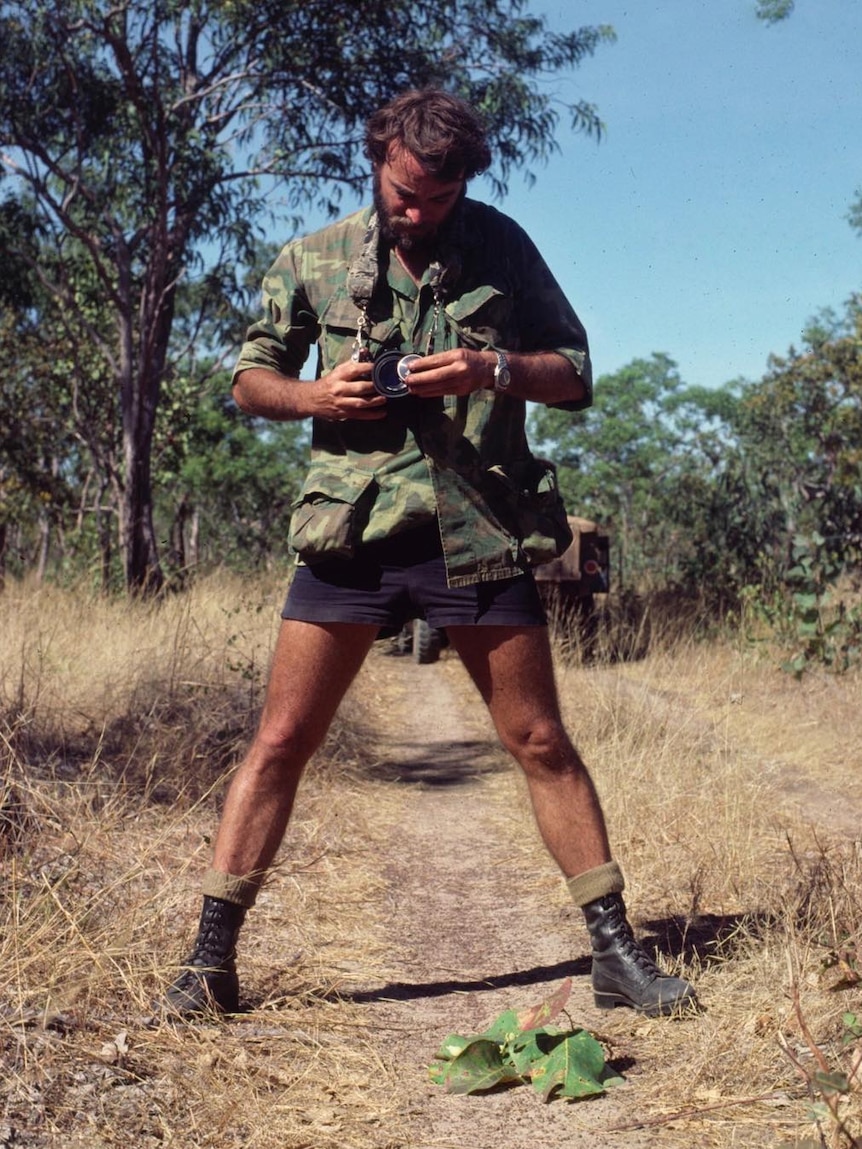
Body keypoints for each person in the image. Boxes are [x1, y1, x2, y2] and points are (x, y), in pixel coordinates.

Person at [162, 89, 696, 1020]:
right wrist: (318, 398)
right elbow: (249, 381)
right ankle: (209, 962)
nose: (417, 213)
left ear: (464, 186)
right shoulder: (315, 257)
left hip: (479, 527)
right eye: (404, 194)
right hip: (351, 532)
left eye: (437, 200)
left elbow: (575, 373)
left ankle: (616, 955)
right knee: (282, 740)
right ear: (377, 163)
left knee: (539, 740)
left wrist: (493, 368)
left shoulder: (502, 246)